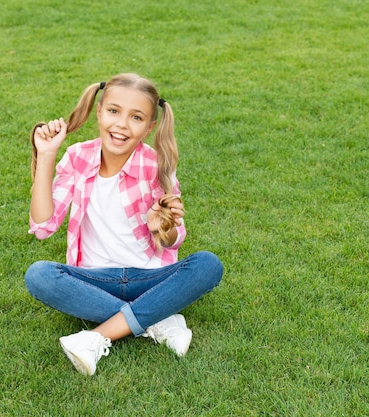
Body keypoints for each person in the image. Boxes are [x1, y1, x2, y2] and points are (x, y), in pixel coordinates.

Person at [25, 73, 223, 376]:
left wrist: (164, 226)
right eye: (114, 111)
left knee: (208, 265)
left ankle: (96, 337)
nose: (121, 125)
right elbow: (42, 227)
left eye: (136, 117)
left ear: (149, 127)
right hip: (95, 278)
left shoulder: (155, 165)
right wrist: (47, 154)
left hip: (150, 276)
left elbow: (175, 238)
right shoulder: (77, 156)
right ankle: (156, 318)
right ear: (100, 110)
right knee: (39, 275)